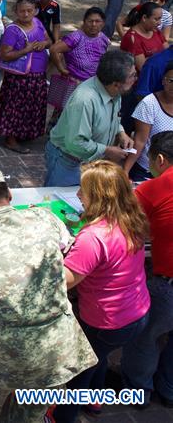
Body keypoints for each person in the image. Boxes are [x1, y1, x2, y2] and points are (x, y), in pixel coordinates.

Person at [0, 165, 97, 423]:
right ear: (9, 195)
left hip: (5, 350)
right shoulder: (45, 217)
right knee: (33, 411)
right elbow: (67, 249)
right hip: (57, 346)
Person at [54, 161, 151, 423]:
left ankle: (61, 417)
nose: (78, 195)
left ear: (98, 197)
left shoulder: (94, 237)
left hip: (106, 320)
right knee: (99, 356)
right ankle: (94, 403)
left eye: (82, 190)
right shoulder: (132, 218)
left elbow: (65, 281)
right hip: (137, 312)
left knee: (79, 371)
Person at [122, 131, 173, 403]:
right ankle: (168, 390)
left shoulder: (153, 188)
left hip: (169, 284)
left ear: (161, 160)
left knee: (146, 337)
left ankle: (137, 391)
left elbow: (128, 226)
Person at [45, 50, 138, 186]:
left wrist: (121, 133)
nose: (135, 79)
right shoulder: (84, 100)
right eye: (132, 76)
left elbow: (114, 118)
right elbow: (76, 143)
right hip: (68, 162)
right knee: (62, 204)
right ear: (116, 83)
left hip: (90, 161)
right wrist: (107, 150)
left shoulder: (115, 92)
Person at [0, 0, 50, 154]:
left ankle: (25, 133)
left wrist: (44, 44)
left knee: (32, 106)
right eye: (22, 11)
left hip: (37, 74)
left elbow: (48, 39)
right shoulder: (13, 30)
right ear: (16, 12)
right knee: (15, 108)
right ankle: (11, 139)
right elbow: (5, 55)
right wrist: (26, 50)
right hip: (19, 77)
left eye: (29, 11)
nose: (26, 14)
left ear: (35, 11)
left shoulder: (38, 23)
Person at [47, 7, 111, 123]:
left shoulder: (103, 39)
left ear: (103, 23)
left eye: (97, 21)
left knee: (86, 117)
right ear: (84, 21)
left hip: (94, 84)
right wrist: (61, 69)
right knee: (66, 116)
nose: (93, 24)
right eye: (90, 21)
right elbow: (54, 50)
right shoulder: (75, 37)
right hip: (74, 84)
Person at [125, 60, 173, 180]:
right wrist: (125, 171)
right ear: (163, 81)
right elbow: (140, 141)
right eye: (171, 81)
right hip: (147, 170)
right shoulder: (149, 103)